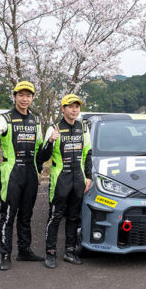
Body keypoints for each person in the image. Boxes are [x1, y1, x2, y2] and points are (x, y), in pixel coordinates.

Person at [0, 81, 44, 271]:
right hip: (12, 173)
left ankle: (24, 251)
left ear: (32, 98)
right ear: (14, 96)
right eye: (21, 95)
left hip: (31, 173)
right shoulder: (5, 118)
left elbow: (39, 149)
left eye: (28, 95)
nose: (25, 99)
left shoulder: (36, 120)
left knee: (26, 215)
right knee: (8, 215)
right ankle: (5, 255)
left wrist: (39, 171)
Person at [41, 94, 93, 268]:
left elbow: (88, 154)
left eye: (77, 106)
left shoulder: (83, 128)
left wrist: (88, 177)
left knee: (73, 217)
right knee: (55, 216)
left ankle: (69, 252)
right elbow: (43, 156)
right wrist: (50, 141)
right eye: (70, 106)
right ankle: (50, 253)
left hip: (78, 178)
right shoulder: (54, 128)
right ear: (63, 109)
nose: (74, 109)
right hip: (60, 179)